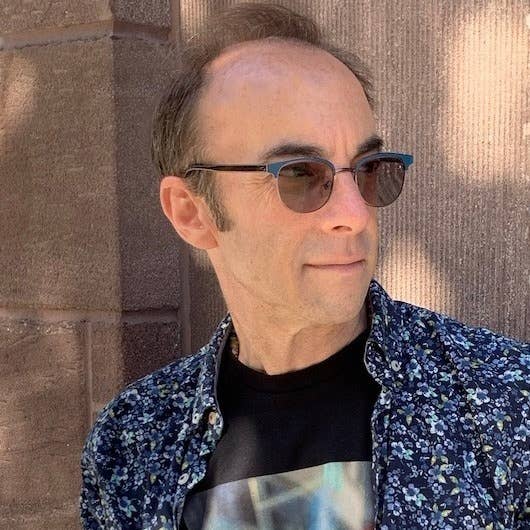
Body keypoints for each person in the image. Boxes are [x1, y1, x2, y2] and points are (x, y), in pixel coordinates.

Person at [80, 3, 529, 529]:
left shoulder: (505, 406)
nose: (354, 215)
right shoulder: (132, 444)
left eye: (368, 169)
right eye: (299, 174)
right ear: (192, 212)